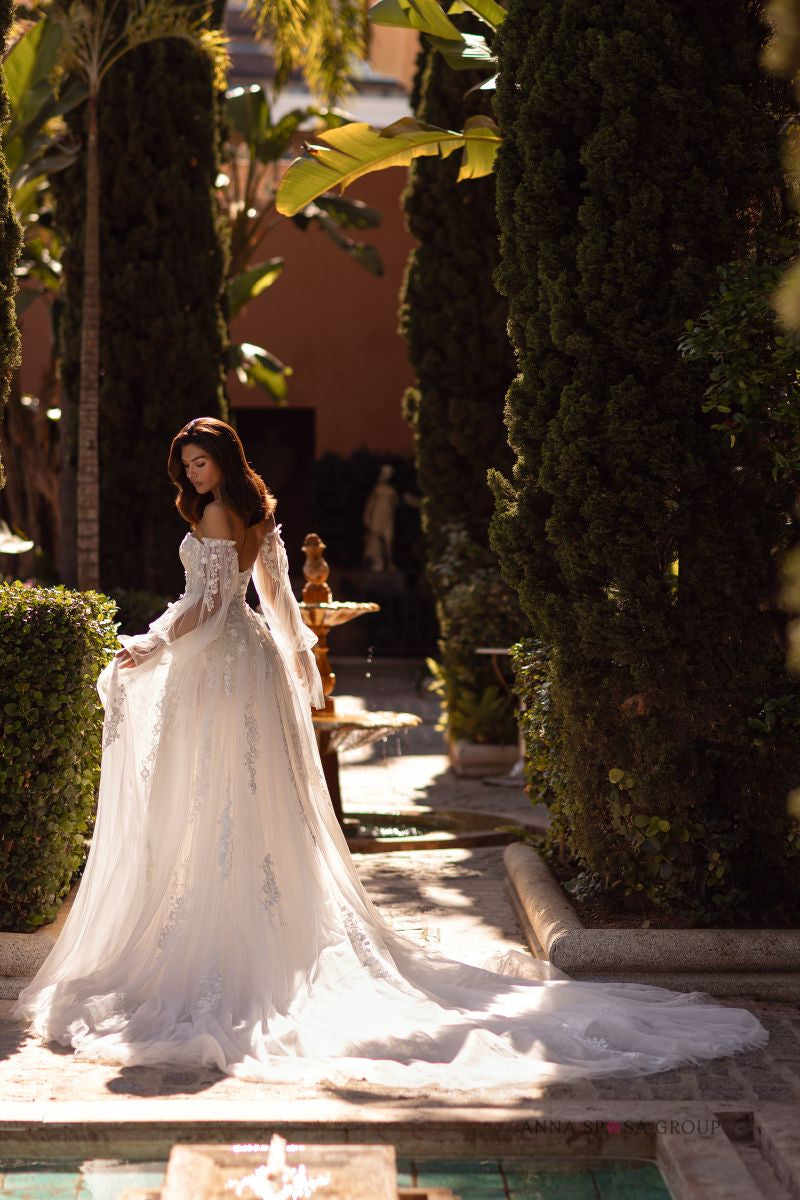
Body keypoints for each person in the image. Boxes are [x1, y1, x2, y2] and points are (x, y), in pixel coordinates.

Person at [13, 418, 768, 1093]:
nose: (193, 473)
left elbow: (211, 606)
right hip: (249, 668)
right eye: (186, 461)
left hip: (217, 668)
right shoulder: (258, 513)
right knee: (238, 797)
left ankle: (223, 943)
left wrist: (151, 643)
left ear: (223, 461)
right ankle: (257, 932)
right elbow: (272, 602)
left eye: (202, 460)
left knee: (218, 795)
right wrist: (299, 660)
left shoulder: (217, 513)